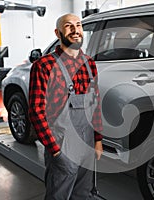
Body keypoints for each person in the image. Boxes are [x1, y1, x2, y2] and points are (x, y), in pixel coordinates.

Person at [28, 13, 103, 200]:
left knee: (83, 194)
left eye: (78, 25)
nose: (75, 30)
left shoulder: (89, 64)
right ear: (58, 32)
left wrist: (98, 139)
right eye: (69, 26)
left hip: (86, 141)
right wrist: (55, 151)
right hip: (62, 143)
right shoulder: (44, 66)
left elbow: (95, 103)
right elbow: (36, 111)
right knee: (59, 195)